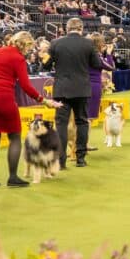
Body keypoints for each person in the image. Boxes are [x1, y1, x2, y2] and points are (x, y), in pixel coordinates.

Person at [0, 32, 60, 187]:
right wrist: (43, 100)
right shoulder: (19, 58)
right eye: (28, 47)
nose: (28, 51)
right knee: (15, 137)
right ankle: (12, 177)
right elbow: (25, 86)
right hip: (4, 98)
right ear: (24, 44)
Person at [51, 18, 103, 168]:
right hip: (81, 89)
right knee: (82, 122)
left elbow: (46, 64)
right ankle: (80, 158)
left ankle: (61, 161)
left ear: (67, 28)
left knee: (61, 124)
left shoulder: (56, 43)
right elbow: (97, 64)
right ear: (81, 28)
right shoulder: (88, 44)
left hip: (61, 89)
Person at [87, 34, 115, 123]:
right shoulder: (96, 55)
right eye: (103, 42)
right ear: (99, 44)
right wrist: (109, 54)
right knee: (89, 118)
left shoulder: (85, 54)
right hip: (93, 86)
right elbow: (110, 67)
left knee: (82, 116)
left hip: (82, 85)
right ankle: (84, 137)